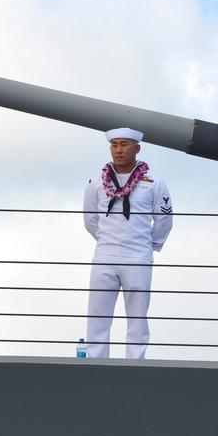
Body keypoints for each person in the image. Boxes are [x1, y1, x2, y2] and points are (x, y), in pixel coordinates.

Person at [82, 127, 173, 359]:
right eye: (114, 145)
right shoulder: (96, 182)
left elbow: (164, 220)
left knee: (138, 318)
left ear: (137, 148)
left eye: (124, 144)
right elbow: (90, 219)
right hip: (105, 255)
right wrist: (107, 240)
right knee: (97, 316)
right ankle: (95, 363)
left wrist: (147, 245)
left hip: (138, 256)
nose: (118, 150)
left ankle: (136, 365)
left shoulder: (154, 183)